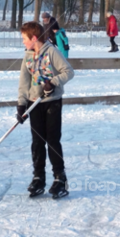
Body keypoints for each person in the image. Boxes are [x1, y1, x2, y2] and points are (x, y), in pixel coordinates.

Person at [17, 21, 75, 199]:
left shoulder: (51, 51)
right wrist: (21, 105)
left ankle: (59, 177)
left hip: (52, 103)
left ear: (34, 38)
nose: (23, 42)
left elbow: (68, 71)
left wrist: (53, 83)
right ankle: (38, 176)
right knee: (37, 142)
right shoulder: (27, 56)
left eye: (24, 39)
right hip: (34, 103)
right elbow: (24, 82)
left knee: (52, 140)